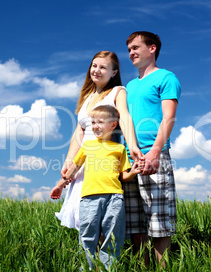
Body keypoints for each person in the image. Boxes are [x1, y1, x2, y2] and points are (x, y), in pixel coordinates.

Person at [50, 51, 142, 230]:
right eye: (94, 66)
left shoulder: (117, 91)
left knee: (101, 215)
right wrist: (69, 160)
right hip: (84, 158)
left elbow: (124, 116)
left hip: (103, 159)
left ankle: (104, 257)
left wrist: (132, 145)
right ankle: (91, 257)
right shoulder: (86, 97)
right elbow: (79, 132)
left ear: (113, 72)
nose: (97, 70)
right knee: (83, 215)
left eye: (103, 67)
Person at [123, 31, 181, 267]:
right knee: (136, 225)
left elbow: (169, 117)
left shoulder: (166, 78)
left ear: (153, 48)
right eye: (129, 50)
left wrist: (156, 151)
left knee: (159, 223)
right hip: (129, 157)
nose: (131, 53)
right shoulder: (128, 86)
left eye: (136, 47)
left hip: (153, 154)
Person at [63, 105, 143, 270]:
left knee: (113, 236)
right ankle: (88, 268)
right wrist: (62, 182)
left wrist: (134, 172)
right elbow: (74, 168)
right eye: (93, 122)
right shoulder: (88, 146)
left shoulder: (119, 149)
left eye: (100, 122)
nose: (95, 126)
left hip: (114, 198)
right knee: (87, 235)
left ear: (113, 125)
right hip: (89, 198)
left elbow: (123, 177)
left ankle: (109, 268)